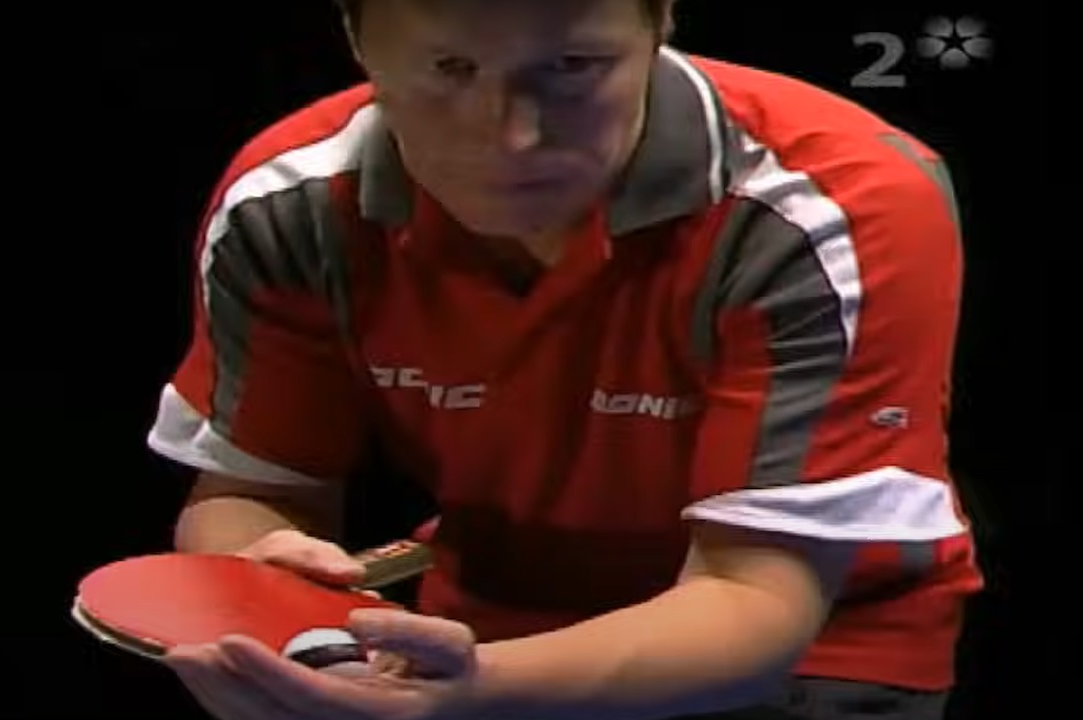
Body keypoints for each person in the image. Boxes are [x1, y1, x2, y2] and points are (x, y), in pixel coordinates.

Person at [144, 0, 983, 718]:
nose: (512, 134)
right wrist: (266, 590)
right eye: (450, 66)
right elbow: (254, 497)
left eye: (575, 65)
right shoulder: (285, 205)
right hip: (467, 636)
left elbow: (757, 603)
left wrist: (470, 695)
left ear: (659, 23)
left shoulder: (841, 201)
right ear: (357, 40)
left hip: (815, 648)